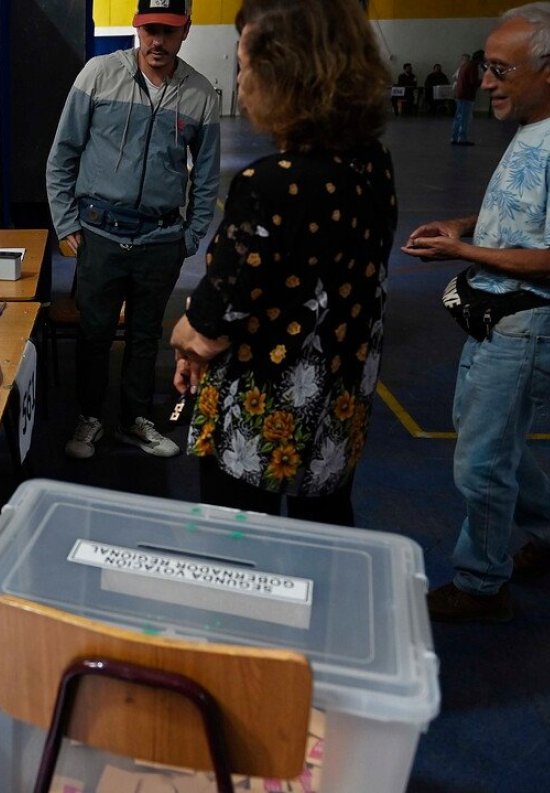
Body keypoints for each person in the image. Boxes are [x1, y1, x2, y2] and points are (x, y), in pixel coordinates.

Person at [401, 2, 550, 623]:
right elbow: (527, 211)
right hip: (503, 319)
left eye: (500, 69)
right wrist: (464, 224)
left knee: (481, 462)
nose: (486, 82)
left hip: (532, 324)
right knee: (493, 445)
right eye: (485, 66)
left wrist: (461, 252)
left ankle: (481, 584)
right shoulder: (538, 123)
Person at [168, 0, 394, 525]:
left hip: (263, 410)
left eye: (245, 65)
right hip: (339, 401)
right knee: (324, 529)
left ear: (288, 76)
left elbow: (209, 324)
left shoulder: (271, 184)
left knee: (237, 538)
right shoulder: (371, 163)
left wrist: (187, 329)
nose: (240, 79)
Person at [46, 0, 220, 459]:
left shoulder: (200, 94)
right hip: (100, 235)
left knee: (145, 336)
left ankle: (135, 420)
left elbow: (206, 177)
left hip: (160, 241)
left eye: (168, 31)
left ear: (185, 31)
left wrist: (190, 235)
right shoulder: (98, 75)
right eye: (149, 29)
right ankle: (90, 417)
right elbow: (62, 154)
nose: (157, 41)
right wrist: (66, 221)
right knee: (95, 332)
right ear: (137, 27)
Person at [452, 51, 481, 144]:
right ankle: (462, 139)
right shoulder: (473, 67)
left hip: (460, 94)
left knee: (458, 117)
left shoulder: (465, 65)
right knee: (465, 118)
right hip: (467, 95)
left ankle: (454, 137)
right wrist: (483, 81)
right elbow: (473, 81)